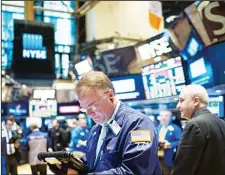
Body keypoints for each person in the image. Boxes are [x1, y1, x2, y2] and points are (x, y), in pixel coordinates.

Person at [49, 71, 161, 174]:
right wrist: (73, 167)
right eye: (84, 108)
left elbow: (135, 171)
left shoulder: (139, 125)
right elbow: (93, 163)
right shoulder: (96, 129)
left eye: (92, 106)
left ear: (110, 96)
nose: (89, 114)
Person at [171, 84, 225, 175]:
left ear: (195, 101)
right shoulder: (221, 122)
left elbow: (182, 168)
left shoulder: (194, 124)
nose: (178, 105)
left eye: (181, 100)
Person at [157, 110, 182, 174]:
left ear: (170, 117)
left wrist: (170, 144)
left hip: (169, 157)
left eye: (166, 115)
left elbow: (181, 142)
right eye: (162, 115)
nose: (164, 118)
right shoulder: (157, 128)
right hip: (158, 157)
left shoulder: (175, 128)